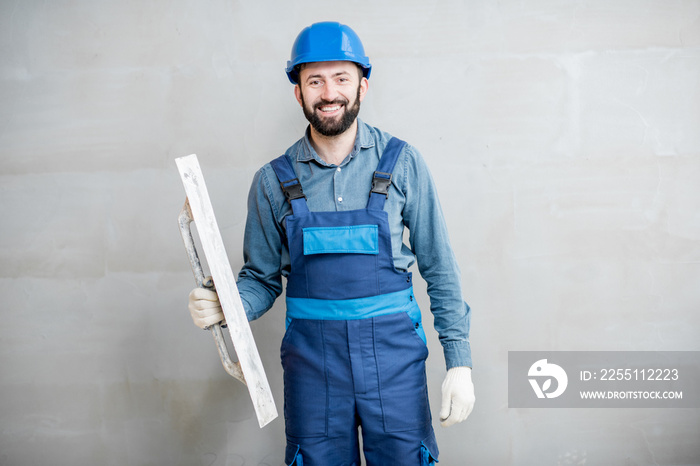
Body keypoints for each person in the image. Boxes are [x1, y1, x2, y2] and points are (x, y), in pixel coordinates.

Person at [188, 21, 474, 466]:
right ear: (298, 93)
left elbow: (440, 268)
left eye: (341, 78)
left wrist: (460, 363)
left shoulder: (402, 163)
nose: (329, 92)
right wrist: (227, 304)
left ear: (363, 85)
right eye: (314, 80)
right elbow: (261, 280)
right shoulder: (272, 182)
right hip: (313, 369)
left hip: (393, 363)